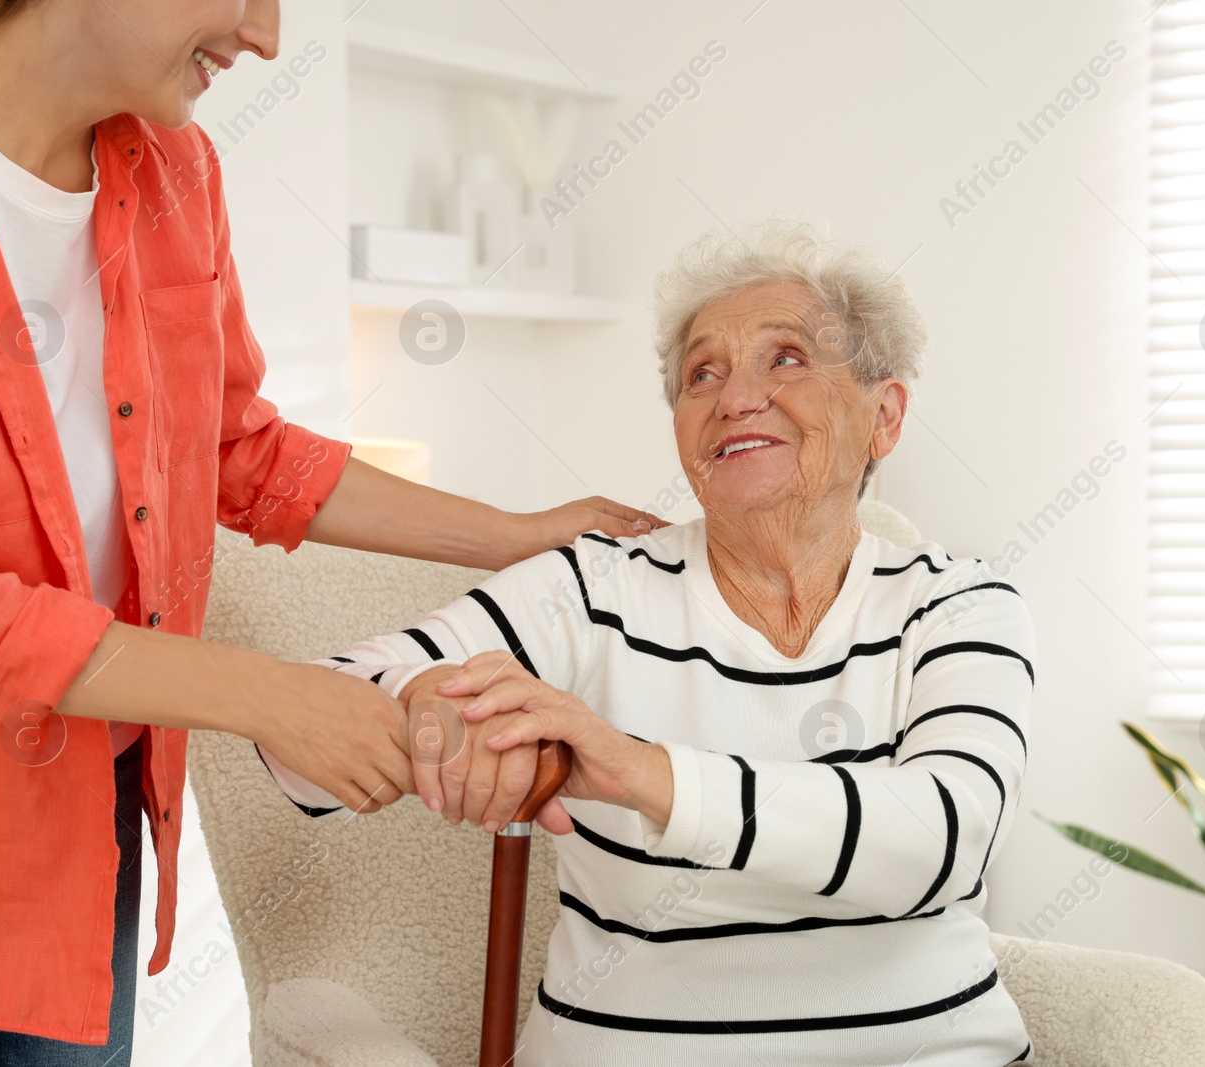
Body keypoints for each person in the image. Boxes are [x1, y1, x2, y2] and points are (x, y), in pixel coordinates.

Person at [0, 1, 656, 1062]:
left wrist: (519, 533)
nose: (265, 37)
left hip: (90, 819)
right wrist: (273, 696)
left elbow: (234, 447)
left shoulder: (174, 171)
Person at [266, 221, 1037, 1066]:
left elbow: (943, 836)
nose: (734, 396)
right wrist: (426, 707)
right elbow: (298, 749)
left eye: (785, 358)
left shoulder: (957, 603)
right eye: (702, 373)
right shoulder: (597, 591)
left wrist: (637, 769)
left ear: (883, 416)